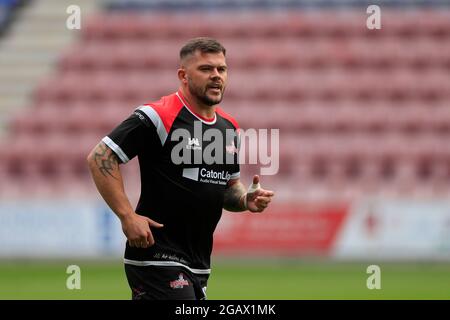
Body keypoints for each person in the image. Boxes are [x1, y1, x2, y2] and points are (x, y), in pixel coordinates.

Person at [87, 37, 274, 300]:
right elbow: (100, 157)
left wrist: (245, 199)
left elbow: (226, 189)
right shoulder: (157, 116)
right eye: (206, 69)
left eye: (222, 69)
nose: (216, 76)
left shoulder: (229, 128)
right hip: (156, 256)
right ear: (183, 75)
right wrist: (127, 216)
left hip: (198, 262)